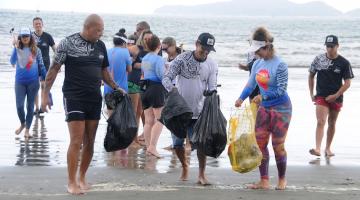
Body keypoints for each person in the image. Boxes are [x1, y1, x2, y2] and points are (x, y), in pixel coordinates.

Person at [41, 14, 124, 195]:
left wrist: (116, 87)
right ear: (88, 27)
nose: (101, 34)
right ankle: (71, 182)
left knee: (90, 142)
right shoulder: (67, 43)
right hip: (73, 97)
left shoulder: (101, 46)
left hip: (94, 97)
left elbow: (104, 72)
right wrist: (45, 94)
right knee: (76, 140)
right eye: (99, 30)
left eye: (102, 30)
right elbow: (54, 69)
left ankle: (82, 177)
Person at [234, 27, 292, 190]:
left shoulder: (280, 65)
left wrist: (263, 96)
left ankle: (282, 179)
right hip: (264, 109)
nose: (256, 54)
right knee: (260, 144)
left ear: (267, 47)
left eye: (258, 50)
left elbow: (281, 89)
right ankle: (264, 180)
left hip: (281, 109)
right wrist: (241, 97)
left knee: (278, 145)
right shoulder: (257, 64)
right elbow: (251, 84)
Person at [162, 32, 218, 185]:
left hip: (199, 111)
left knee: (201, 144)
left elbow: (212, 87)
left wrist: (211, 97)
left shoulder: (212, 64)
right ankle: (185, 166)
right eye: (203, 48)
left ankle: (201, 174)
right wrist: (172, 90)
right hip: (179, 111)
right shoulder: (182, 59)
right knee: (178, 144)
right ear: (196, 44)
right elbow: (166, 78)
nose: (205, 52)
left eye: (208, 49)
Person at [308, 35, 354, 157]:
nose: (329, 49)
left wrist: (336, 95)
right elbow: (311, 75)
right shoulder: (318, 59)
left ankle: (327, 148)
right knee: (321, 121)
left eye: (332, 46)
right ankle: (317, 148)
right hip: (321, 96)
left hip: (336, 97)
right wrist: (311, 93)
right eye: (327, 46)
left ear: (337, 46)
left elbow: (348, 83)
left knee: (332, 123)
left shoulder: (344, 63)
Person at [10, 27, 46, 139]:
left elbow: (41, 65)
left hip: (33, 82)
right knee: (19, 106)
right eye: (23, 36)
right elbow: (12, 61)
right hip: (19, 82)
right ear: (20, 38)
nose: (25, 38)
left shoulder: (36, 50)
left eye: (27, 36)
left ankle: (27, 130)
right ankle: (23, 123)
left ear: (30, 37)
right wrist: (15, 48)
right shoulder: (17, 49)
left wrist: (45, 78)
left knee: (30, 107)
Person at [141, 34, 166, 158]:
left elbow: (144, 73)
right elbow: (161, 76)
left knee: (148, 120)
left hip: (145, 88)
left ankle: (148, 147)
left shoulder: (144, 58)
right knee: (160, 119)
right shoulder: (159, 59)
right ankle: (152, 146)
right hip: (156, 88)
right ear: (159, 46)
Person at [128, 28, 153, 145]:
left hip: (144, 83)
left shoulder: (153, 51)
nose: (148, 40)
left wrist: (142, 65)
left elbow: (152, 67)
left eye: (150, 39)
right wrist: (143, 65)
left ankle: (135, 138)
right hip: (133, 81)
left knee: (140, 111)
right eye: (145, 38)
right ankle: (132, 139)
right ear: (141, 39)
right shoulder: (136, 49)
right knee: (134, 112)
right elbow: (129, 64)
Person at [103, 28, 132, 115]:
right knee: (121, 116)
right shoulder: (125, 52)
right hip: (121, 89)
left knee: (110, 115)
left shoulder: (107, 51)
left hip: (108, 88)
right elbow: (129, 69)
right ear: (124, 43)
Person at [32, 17, 56, 114]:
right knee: (34, 87)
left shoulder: (48, 36)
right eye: (36, 24)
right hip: (33, 65)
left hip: (45, 65)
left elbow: (55, 50)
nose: (38, 25)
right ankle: (36, 108)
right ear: (33, 25)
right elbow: (23, 48)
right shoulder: (30, 37)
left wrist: (57, 65)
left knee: (43, 85)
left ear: (42, 24)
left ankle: (42, 107)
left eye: (39, 23)